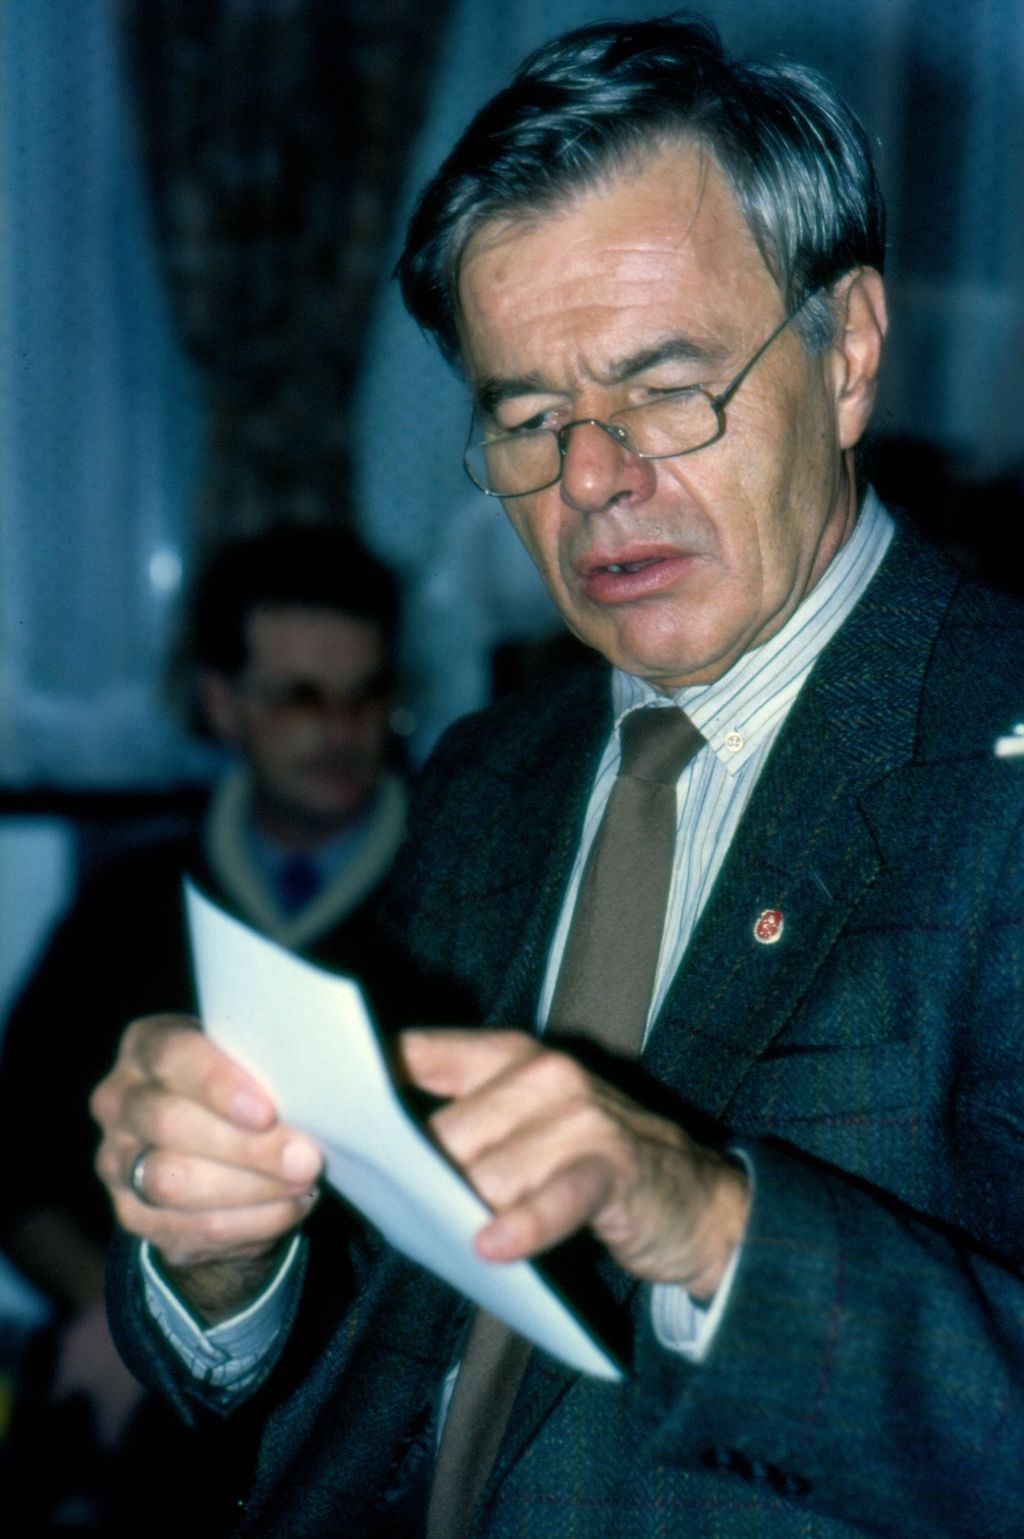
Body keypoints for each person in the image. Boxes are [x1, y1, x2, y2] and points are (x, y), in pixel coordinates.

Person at [92, 16, 1024, 1537]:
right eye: (528, 418)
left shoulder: (997, 770)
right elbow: (382, 1337)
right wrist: (226, 1254)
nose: (592, 478)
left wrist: (709, 1224)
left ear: (849, 350)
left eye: (663, 390)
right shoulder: (484, 777)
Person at [0, 522, 407, 1534]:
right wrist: (111, 1308)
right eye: (299, 697)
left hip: (378, 1409)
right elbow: (16, 1150)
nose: (340, 730)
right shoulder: (131, 905)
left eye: (364, 695)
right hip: (144, 1384)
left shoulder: (453, 895)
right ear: (222, 703)